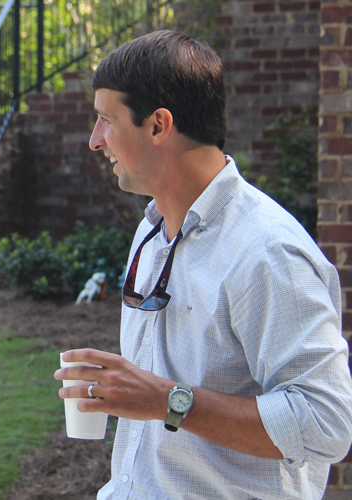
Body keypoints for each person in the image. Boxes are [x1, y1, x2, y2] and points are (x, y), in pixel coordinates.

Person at [54, 30, 352, 499]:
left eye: (106, 121)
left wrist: (163, 401)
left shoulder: (268, 252)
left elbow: (324, 424)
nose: (95, 141)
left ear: (158, 125)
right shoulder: (151, 231)